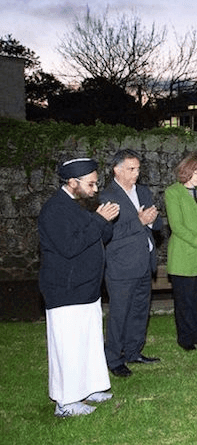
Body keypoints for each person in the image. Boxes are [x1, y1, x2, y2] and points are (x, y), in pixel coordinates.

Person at [38, 158, 119, 417]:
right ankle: (67, 401)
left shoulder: (80, 205)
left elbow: (97, 237)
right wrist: (98, 220)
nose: (95, 189)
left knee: (89, 342)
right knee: (69, 345)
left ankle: (92, 386)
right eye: (91, 184)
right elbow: (69, 247)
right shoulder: (54, 210)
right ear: (72, 183)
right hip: (65, 289)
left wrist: (104, 222)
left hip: (87, 289)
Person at [100, 149, 163, 378]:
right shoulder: (107, 196)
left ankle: (134, 351)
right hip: (121, 266)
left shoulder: (143, 192)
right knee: (119, 314)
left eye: (138, 168)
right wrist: (139, 221)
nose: (136, 173)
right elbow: (109, 233)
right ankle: (114, 358)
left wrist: (154, 221)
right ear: (117, 170)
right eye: (131, 169)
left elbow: (156, 224)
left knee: (140, 311)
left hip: (144, 263)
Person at [164, 153, 197, 351]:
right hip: (183, 256)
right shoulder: (172, 192)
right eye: (196, 171)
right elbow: (177, 226)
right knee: (184, 301)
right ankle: (185, 338)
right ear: (185, 170)